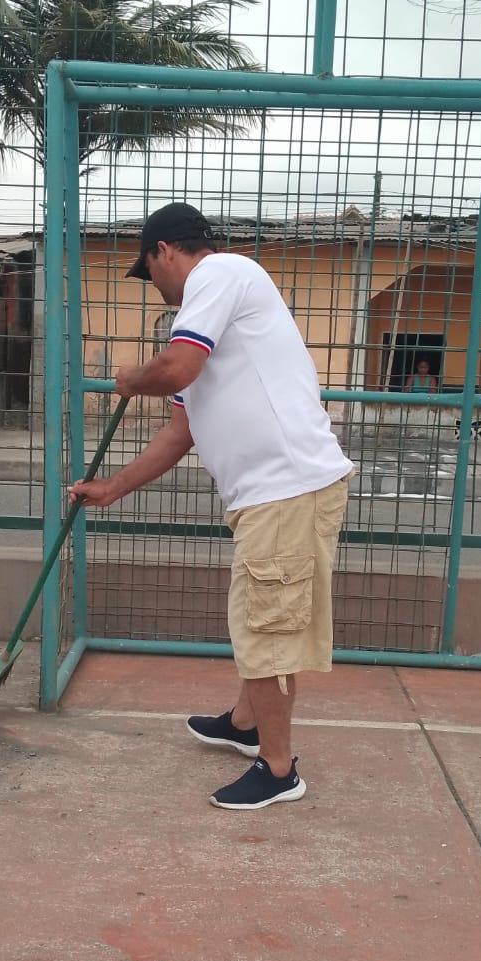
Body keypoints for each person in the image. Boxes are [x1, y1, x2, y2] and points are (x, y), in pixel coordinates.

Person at [70, 202, 355, 811]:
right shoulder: (208, 317)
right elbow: (181, 432)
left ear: (164, 251)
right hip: (272, 493)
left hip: (285, 488)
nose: (156, 288)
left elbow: (175, 368)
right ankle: (246, 725)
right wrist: (112, 487)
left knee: (267, 630)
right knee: (262, 617)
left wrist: (131, 378)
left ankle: (278, 770)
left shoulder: (221, 273)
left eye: (150, 272)